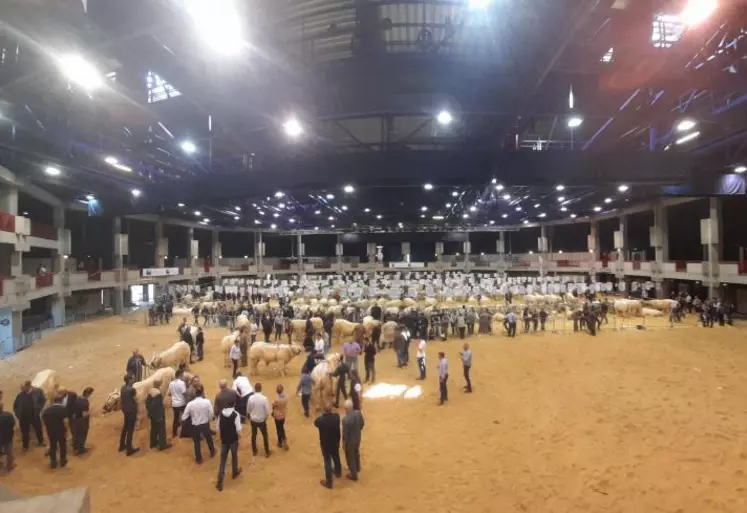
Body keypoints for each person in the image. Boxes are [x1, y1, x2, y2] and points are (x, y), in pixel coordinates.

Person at [181, 385, 215, 464]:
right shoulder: (207, 402)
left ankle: (198, 459)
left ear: (195, 394)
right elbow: (211, 413)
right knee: (209, 439)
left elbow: (184, 417)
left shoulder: (190, 404)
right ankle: (212, 451)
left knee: (196, 442)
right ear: (202, 392)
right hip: (205, 424)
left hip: (195, 425)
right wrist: (209, 419)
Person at [216, 397, 243, 492]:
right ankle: (234, 472)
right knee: (234, 456)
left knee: (223, 460)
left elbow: (218, 427)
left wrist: (221, 436)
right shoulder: (236, 415)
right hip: (233, 440)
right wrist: (240, 436)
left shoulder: (221, 414)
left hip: (224, 440)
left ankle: (220, 481)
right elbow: (238, 429)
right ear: (234, 405)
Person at [314, 403, 342, 489]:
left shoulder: (321, 420)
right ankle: (338, 472)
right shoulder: (336, 417)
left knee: (327, 461)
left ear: (324, 411)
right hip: (335, 442)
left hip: (325, 444)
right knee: (336, 456)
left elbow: (315, 422)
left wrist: (322, 414)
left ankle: (329, 482)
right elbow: (336, 415)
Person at [13, 381, 45, 451]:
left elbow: (43, 400)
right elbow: (15, 405)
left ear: (28, 386)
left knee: (38, 429)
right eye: (21, 388)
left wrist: (39, 409)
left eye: (22, 388)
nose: (21, 389)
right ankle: (25, 446)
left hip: (34, 414)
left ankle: (40, 442)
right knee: (25, 432)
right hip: (23, 417)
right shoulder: (20, 395)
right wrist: (18, 414)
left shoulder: (37, 391)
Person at [42, 393, 68, 469]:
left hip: (50, 431)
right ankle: (62, 460)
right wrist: (67, 431)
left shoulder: (47, 410)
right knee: (62, 445)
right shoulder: (63, 409)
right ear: (61, 401)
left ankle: (53, 462)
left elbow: (43, 420)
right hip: (60, 431)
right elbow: (65, 421)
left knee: (53, 446)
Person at [341, 399, 364, 482]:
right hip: (358, 437)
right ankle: (358, 467)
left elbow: (345, 435)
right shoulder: (358, 413)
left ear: (347, 409)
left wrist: (344, 444)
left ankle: (353, 475)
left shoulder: (345, 420)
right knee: (356, 452)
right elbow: (362, 424)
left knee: (350, 457)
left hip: (350, 441)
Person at [247, 383, 272, 458]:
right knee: (265, 435)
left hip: (253, 420)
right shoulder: (264, 398)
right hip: (261, 420)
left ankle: (254, 451)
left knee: (254, 435)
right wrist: (266, 417)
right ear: (261, 389)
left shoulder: (251, 398)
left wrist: (249, 415)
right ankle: (267, 451)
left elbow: (248, 409)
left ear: (255, 389)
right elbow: (267, 411)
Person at [146, 380, 172, 451]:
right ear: (158, 385)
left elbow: (147, 404)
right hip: (158, 415)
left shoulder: (150, 392)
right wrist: (160, 417)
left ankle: (153, 443)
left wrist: (150, 414)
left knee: (153, 429)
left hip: (152, 415)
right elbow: (158, 406)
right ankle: (162, 445)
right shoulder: (158, 394)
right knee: (161, 430)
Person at [119, 374, 140, 456]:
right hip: (131, 411)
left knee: (125, 428)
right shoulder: (132, 390)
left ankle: (121, 446)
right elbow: (136, 400)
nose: (134, 380)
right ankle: (129, 449)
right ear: (129, 380)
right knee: (130, 430)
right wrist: (137, 411)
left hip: (125, 410)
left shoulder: (122, 388)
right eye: (133, 379)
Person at [72, 387, 94, 455]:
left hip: (75, 420)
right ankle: (80, 449)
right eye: (90, 393)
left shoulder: (77, 398)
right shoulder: (85, 402)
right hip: (82, 421)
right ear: (87, 393)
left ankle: (75, 447)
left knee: (76, 434)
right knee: (82, 434)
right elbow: (84, 414)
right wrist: (91, 413)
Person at [169, 370, 187, 438]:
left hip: (175, 404)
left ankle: (174, 433)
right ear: (180, 375)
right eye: (182, 375)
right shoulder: (182, 383)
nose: (183, 377)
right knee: (185, 417)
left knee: (175, 418)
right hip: (182, 403)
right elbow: (184, 393)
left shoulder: (171, 383)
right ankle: (184, 432)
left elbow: (169, 393)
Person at [272, 384, 289, 450]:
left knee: (279, 429)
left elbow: (273, 405)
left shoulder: (277, 400)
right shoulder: (285, 397)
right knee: (281, 427)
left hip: (277, 416)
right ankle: (282, 441)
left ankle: (280, 442)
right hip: (283, 415)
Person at [0, 399, 15, 473]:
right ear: (2, 407)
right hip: (7, 437)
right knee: (9, 452)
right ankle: (9, 467)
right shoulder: (8, 415)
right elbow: (13, 424)